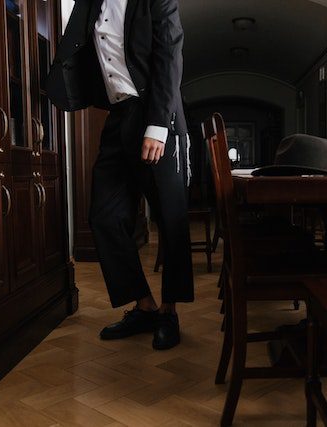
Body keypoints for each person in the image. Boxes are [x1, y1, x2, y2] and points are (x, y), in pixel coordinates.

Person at [46, 0, 193, 350]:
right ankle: (144, 306)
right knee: (104, 216)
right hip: (119, 115)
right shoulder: (91, 4)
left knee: (170, 218)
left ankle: (169, 312)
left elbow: (170, 56)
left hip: (159, 115)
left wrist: (158, 125)